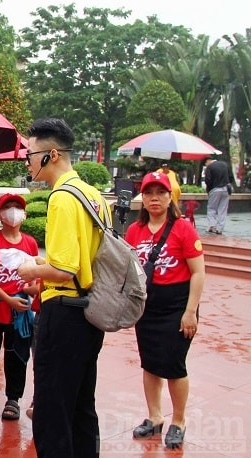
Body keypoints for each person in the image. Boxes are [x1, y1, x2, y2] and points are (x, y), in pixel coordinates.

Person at [16, 117, 105, 458]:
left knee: (52, 412)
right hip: (90, 311)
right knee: (82, 406)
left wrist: (31, 266)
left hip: (64, 314)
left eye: (30, 153)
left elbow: (64, 269)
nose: (27, 160)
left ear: (51, 154)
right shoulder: (92, 193)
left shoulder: (62, 197)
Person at [124, 172, 204, 450]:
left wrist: (190, 311)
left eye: (160, 192)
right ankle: (154, 417)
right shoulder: (135, 231)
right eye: (148, 193)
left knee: (173, 365)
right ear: (142, 198)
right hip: (147, 307)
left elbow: (198, 272)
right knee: (150, 363)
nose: (154, 198)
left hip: (177, 308)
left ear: (170, 198)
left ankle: (178, 421)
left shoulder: (183, 229)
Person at [0, 193, 39, 423]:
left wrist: (31, 289)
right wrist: (7, 298)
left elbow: (33, 274)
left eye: (17, 207)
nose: (13, 212)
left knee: (17, 356)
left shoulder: (30, 243)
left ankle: (13, 398)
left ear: (24, 214)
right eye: (7, 207)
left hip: (19, 312)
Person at [204, 157, 232, 235]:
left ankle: (211, 225)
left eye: (205, 164)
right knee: (223, 209)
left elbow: (208, 180)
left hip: (215, 189)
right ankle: (219, 229)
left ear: (208, 161)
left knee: (211, 208)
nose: (206, 165)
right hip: (226, 189)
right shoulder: (225, 164)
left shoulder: (210, 167)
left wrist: (209, 189)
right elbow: (231, 177)